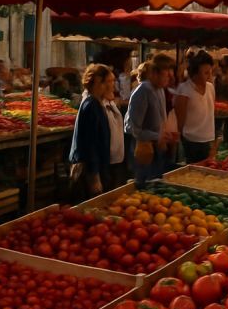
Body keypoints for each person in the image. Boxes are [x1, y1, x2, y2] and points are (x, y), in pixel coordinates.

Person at [125, 53, 175, 187]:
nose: (170, 77)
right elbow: (132, 128)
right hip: (144, 153)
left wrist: (165, 134)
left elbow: (160, 119)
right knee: (144, 191)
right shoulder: (142, 91)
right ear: (154, 73)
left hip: (157, 151)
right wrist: (157, 136)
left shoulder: (159, 90)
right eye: (166, 74)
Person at [69, 64, 115, 200]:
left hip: (99, 167)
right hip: (89, 171)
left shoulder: (97, 103)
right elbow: (90, 144)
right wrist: (94, 177)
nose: (113, 86)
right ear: (98, 83)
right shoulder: (91, 106)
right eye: (109, 82)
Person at [175, 50, 217, 163]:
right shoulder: (184, 90)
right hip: (191, 141)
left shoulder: (210, 87)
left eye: (210, 72)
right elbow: (180, 121)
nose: (210, 76)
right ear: (195, 74)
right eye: (206, 73)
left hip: (208, 138)